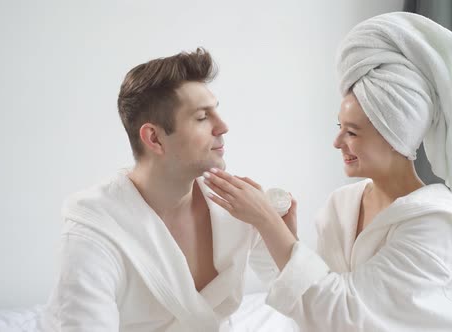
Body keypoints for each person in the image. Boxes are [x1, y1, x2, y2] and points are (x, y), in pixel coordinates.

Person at [203, 12, 452, 331]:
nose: (337, 142)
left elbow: (343, 314)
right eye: (339, 127)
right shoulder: (342, 205)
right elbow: (306, 299)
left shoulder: (434, 226)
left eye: (352, 132)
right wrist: (281, 236)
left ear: (395, 136)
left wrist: (266, 221)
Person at [40, 48, 280, 332]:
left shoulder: (236, 206)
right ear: (154, 138)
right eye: (203, 117)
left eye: (216, 111)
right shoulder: (94, 235)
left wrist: (272, 225)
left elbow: (306, 300)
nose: (223, 126)